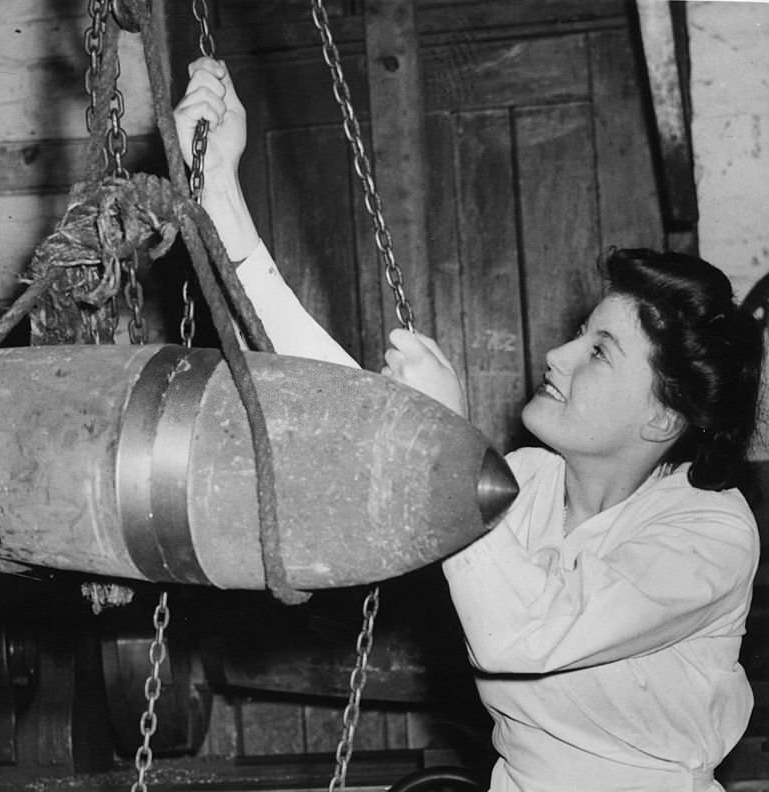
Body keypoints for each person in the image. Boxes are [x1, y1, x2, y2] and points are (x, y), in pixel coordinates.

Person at [173, 57, 765, 792]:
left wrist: (447, 450)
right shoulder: (532, 483)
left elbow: (520, 634)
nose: (556, 353)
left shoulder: (709, 533)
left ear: (663, 414)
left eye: (599, 351)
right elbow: (352, 411)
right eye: (581, 331)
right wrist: (221, 198)